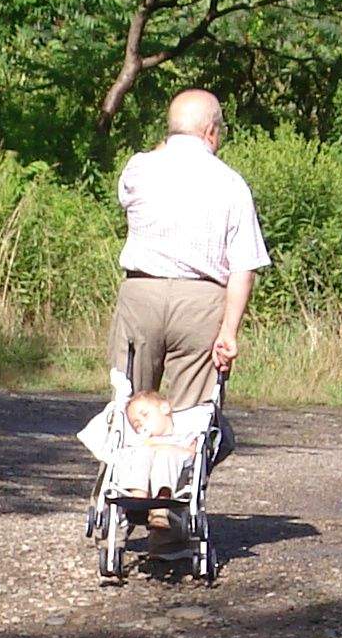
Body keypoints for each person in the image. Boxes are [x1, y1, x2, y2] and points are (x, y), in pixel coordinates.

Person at [107, 87, 271, 414]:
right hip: (201, 302)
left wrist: (168, 143)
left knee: (129, 410)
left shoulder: (139, 168)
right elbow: (244, 266)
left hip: (142, 293)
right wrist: (229, 331)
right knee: (190, 418)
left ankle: (123, 462)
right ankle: (182, 464)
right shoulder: (232, 183)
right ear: (211, 132)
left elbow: (125, 197)